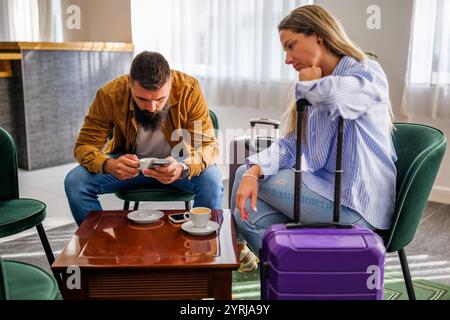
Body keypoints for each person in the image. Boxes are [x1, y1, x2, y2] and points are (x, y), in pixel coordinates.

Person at [231, 4, 397, 271]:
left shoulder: (366, 73)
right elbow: (290, 144)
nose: (287, 58)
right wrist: (256, 169)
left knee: (241, 177)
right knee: (248, 207)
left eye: (291, 45)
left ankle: (261, 260)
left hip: (357, 207)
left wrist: (308, 87)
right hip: (327, 194)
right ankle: (300, 275)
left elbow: (339, 98)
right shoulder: (314, 83)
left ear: (318, 36)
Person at [65, 51, 223, 225]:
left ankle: (200, 246)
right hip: (130, 167)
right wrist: (109, 165)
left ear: (170, 83)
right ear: (129, 84)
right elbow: (84, 146)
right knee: (75, 182)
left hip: (178, 165)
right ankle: (101, 246)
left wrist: (183, 167)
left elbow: (208, 145)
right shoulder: (109, 94)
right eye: (142, 99)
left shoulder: (189, 89)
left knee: (212, 180)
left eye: (160, 99)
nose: (152, 107)